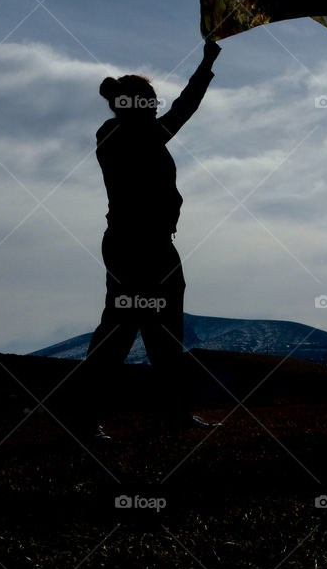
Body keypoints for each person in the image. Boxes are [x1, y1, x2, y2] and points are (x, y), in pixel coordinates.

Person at [75, 40, 222, 440]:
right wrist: (206, 65)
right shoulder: (121, 136)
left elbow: (180, 109)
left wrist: (207, 64)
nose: (157, 104)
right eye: (151, 99)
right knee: (119, 332)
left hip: (156, 246)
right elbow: (182, 110)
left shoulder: (139, 132)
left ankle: (175, 414)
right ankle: (85, 420)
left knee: (165, 333)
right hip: (132, 247)